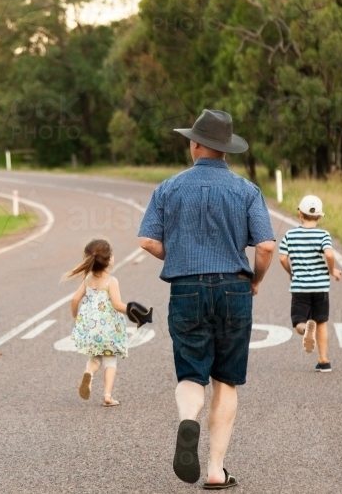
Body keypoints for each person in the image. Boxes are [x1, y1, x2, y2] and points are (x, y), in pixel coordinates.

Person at [138, 109, 275, 490]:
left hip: (185, 288)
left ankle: (188, 418)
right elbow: (265, 246)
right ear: (225, 149)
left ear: (196, 144)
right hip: (234, 288)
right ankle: (216, 470)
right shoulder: (247, 190)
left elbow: (147, 239)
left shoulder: (168, 188)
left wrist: (179, 254)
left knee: (191, 373)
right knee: (226, 380)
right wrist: (256, 281)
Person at [278, 195, 341, 372]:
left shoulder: (290, 235)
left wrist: (292, 272)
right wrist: (331, 270)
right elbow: (329, 254)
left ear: (300, 214)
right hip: (321, 286)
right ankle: (324, 360)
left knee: (298, 321)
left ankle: (306, 329)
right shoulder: (324, 235)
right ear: (320, 216)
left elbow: (282, 258)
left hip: (300, 287)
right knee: (321, 321)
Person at [67, 238, 129, 407]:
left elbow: (74, 300)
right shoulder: (111, 281)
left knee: (94, 359)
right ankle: (108, 396)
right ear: (109, 259)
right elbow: (117, 304)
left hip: (91, 329)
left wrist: (75, 317)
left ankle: (89, 373)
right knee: (110, 361)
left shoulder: (87, 279)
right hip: (109, 330)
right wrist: (134, 311)